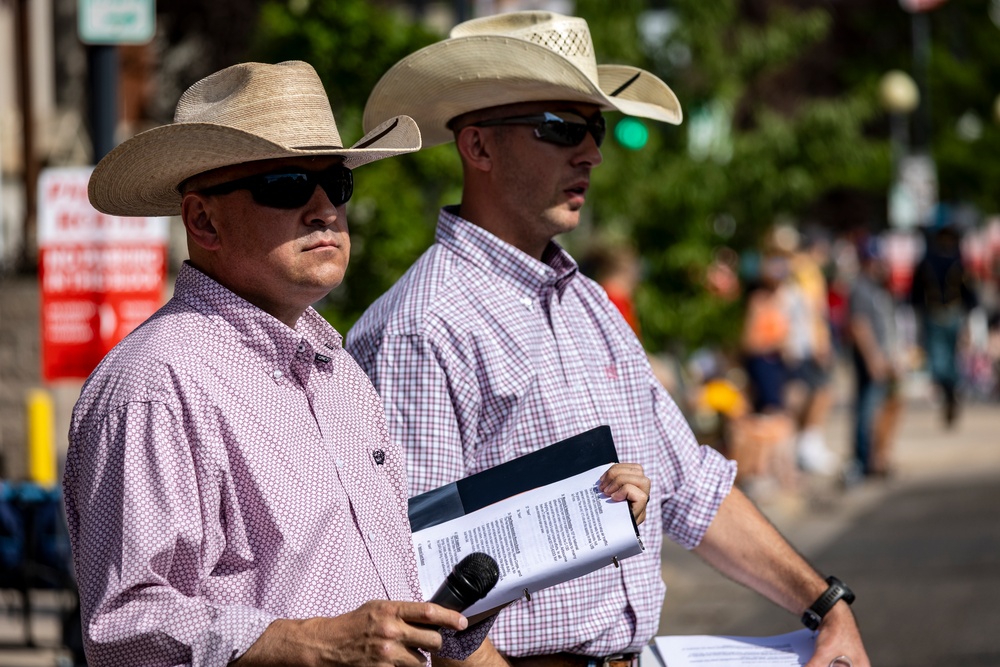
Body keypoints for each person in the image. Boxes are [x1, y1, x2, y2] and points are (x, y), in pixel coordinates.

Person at [348, 11, 869, 667]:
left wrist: (826, 606)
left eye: (593, 128)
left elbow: (693, 488)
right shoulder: (421, 326)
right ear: (478, 147)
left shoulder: (587, 300)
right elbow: (418, 584)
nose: (591, 151)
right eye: (562, 129)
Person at [62, 60, 499, 667]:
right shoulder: (155, 383)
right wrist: (311, 646)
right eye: (287, 185)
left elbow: (363, 597)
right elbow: (125, 624)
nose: (325, 208)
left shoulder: (338, 372)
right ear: (203, 220)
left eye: (337, 184)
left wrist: (446, 615)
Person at [909, 222, 978, 427]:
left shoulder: (944, 263)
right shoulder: (934, 262)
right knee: (941, 357)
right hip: (938, 312)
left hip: (947, 313)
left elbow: (967, 292)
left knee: (944, 356)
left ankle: (950, 388)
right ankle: (949, 389)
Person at [845, 236, 899, 483]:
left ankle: (878, 458)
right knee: (867, 411)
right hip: (872, 361)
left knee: (886, 408)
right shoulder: (861, 288)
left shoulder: (878, 287)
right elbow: (859, 326)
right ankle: (863, 460)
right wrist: (874, 359)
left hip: (884, 360)